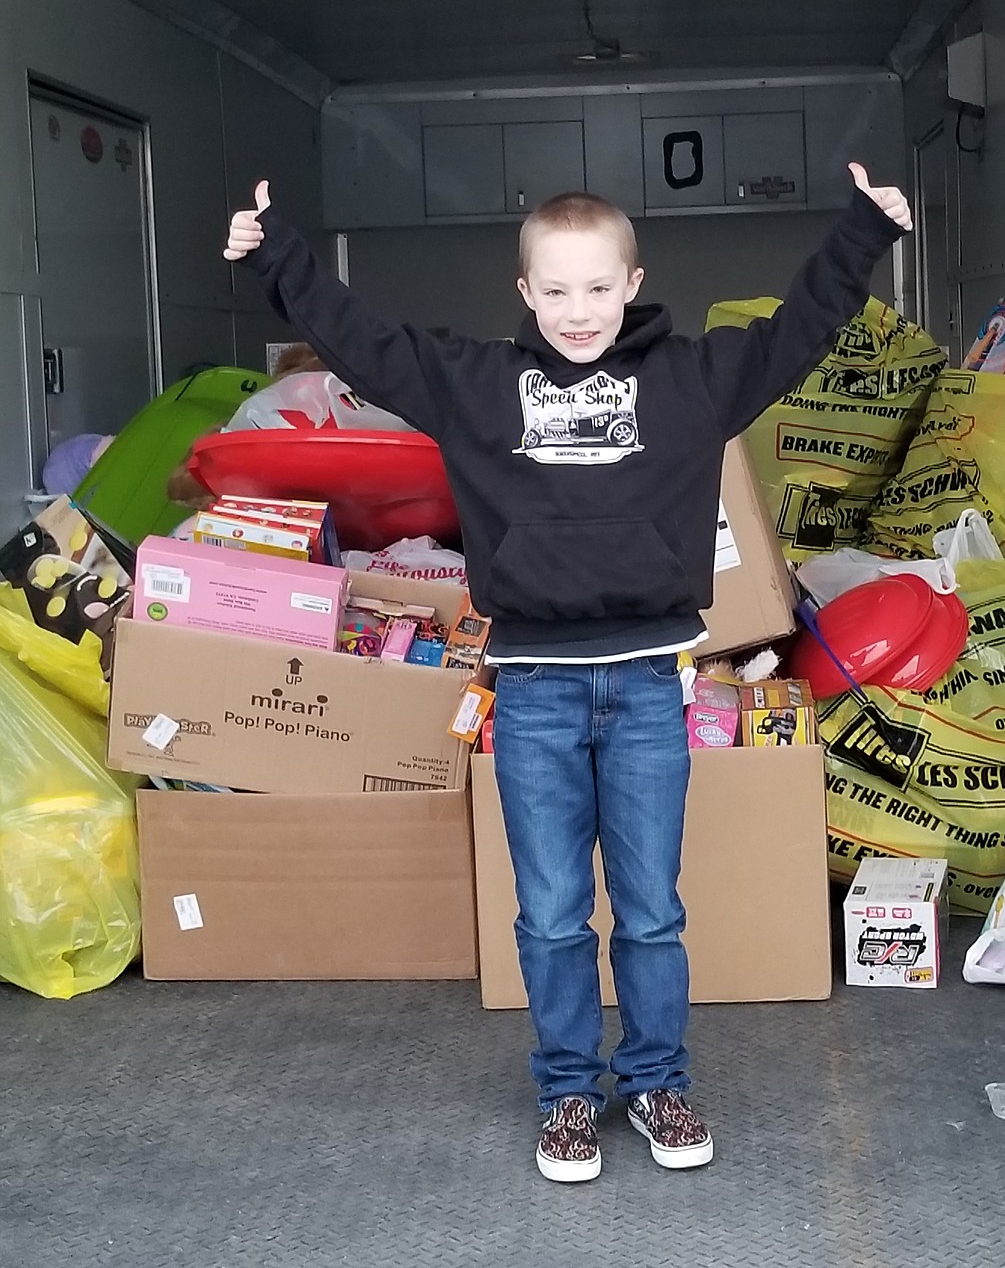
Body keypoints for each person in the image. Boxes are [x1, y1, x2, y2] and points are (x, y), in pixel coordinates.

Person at [223, 165, 912, 1182]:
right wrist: (276, 253)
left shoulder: (691, 382)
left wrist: (864, 230)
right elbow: (363, 336)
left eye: (597, 288)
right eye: (556, 290)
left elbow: (796, 332)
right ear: (525, 295)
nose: (578, 310)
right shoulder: (473, 386)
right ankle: (566, 1098)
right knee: (548, 913)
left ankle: (659, 1084)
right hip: (535, 691)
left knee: (651, 911)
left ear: (632, 281)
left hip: (644, 689)